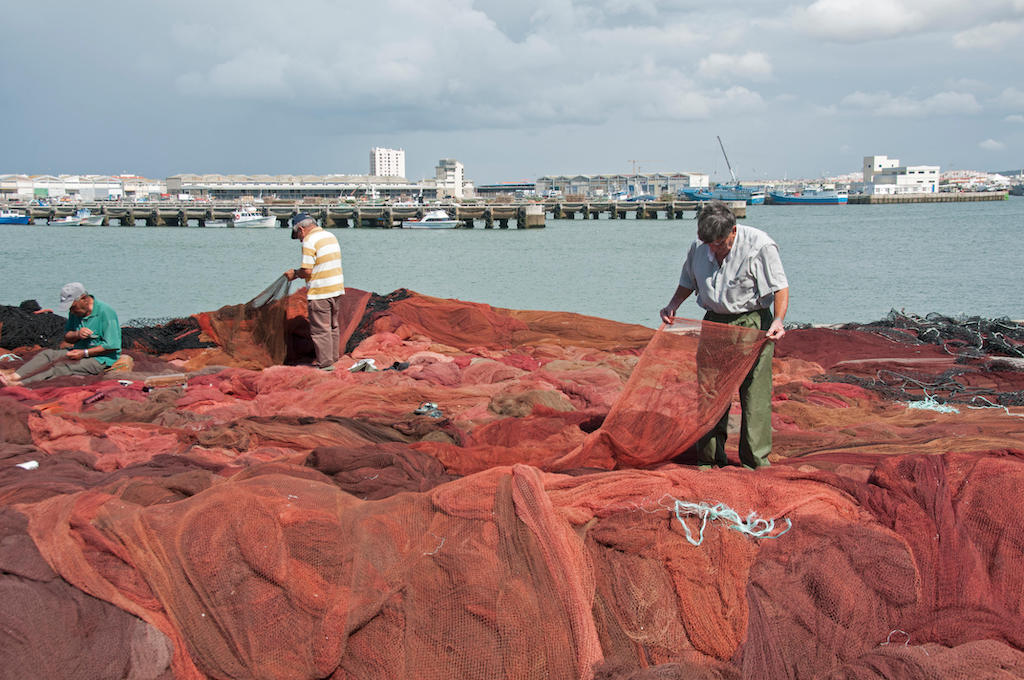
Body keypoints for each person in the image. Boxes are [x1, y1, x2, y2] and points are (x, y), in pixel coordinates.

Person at [659, 201, 789, 469]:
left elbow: (780, 287)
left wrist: (778, 320)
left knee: (753, 393)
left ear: (733, 230)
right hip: (714, 323)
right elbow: (688, 281)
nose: (713, 249)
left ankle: (755, 461)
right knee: (709, 391)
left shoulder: (760, 245)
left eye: (719, 244)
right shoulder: (700, 246)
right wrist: (673, 305)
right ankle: (709, 459)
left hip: (750, 323)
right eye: (708, 243)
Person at [0, 283, 122, 387]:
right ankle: (14, 377)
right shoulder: (75, 312)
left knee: (60, 368)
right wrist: (77, 334)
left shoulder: (106, 312)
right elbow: (67, 337)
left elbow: (112, 345)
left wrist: (84, 353)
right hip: (78, 351)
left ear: (84, 299)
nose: (71, 311)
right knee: (47, 354)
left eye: (73, 307)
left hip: (101, 359)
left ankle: (20, 384)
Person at [284, 212, 345, 370]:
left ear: (301, 230)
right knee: (333, 327)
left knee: (320, 330)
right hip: (336, 289)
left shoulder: (309, 241)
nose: (299, 239)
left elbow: (307, 270)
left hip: (320, 292)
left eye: (298, 235)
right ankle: (333, 360)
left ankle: (326, 365)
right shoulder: (330, 235)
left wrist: (294, 274)